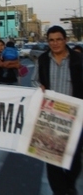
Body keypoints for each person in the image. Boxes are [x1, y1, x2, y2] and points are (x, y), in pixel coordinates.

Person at [31, 25, 83, 195]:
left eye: (59, 39)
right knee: (51, 158)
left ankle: (68, 185)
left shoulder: (78, 60)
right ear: (48, 42)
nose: (55, 43)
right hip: (50, 116)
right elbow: (34, 81)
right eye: (51, 40)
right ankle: (61, 191)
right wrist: (40, 89)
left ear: (65, 40)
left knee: (74, 158)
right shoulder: (43, 60)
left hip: (74, 116)